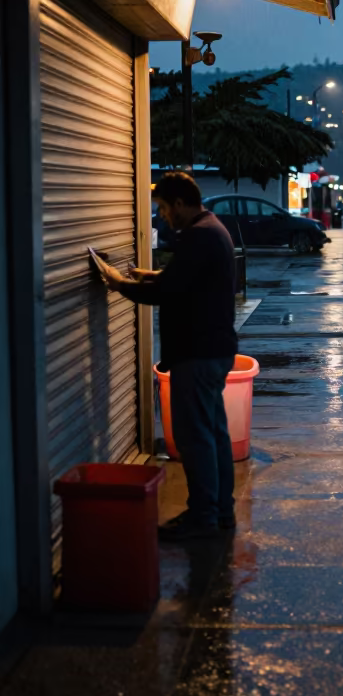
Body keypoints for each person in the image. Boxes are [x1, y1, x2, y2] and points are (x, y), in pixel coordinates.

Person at [99, 171, 238, 540]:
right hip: (214, 350)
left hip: (197, 352)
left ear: (179, 203)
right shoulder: (213, 230)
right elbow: (185, 278)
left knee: (195, 438)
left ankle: (204, 517)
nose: (161, 216)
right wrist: (149, 274)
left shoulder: (199, 236)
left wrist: (119, 284)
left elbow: (170, 292)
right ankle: (221, 512)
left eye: (163, 207)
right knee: (214, 435)